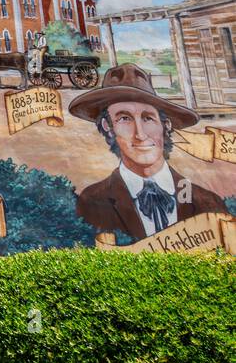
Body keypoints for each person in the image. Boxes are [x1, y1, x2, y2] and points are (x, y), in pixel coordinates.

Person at [71, 63, 230, 241]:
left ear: (165, 125)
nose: (140, 134)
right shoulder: (92, 201)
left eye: (148, 118)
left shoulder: (206, 202)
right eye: (124, 118)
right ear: (108, 127)